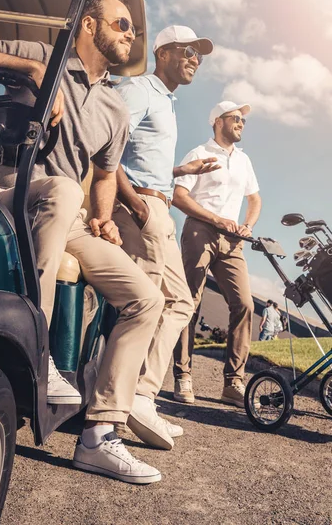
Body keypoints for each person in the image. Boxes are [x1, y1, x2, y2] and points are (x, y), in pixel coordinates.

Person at [0, 0, 166, 484]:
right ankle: (38, 350)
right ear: (88, 23)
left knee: (146, 297)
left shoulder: (115, 108)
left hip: (68, 216)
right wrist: (31, 71)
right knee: (60, 189)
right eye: (122, 23)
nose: (130, 33)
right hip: (3, 188)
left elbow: (104, 175)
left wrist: (104, 218)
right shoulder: (42, 56)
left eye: (132, 30)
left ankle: (100, 435)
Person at [113, 25, 218, 445]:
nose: (196, 59)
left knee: (179, 303)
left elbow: (144, 157)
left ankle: (142, 395)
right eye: (189, 51)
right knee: (152, 304)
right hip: (142, 206)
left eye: (199, 55)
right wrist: (136, 205)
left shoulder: (166, 102)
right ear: (164, 52)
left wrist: (180, 171)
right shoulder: (138, 90)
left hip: (158, 204)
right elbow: (106, 150)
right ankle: (120, 406)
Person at [172, 100, 262, 408]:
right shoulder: (199, 154)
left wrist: (247, 225)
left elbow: (255, 199)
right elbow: (178, 196)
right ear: (217, 121)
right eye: (235, 118)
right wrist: (215, 219)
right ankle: (182, 375)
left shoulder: (244, 160)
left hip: (233, 239)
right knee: (190, 301)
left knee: (245, 304)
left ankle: (233, 383)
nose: (241, 123)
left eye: (243, 120)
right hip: (200, 230)